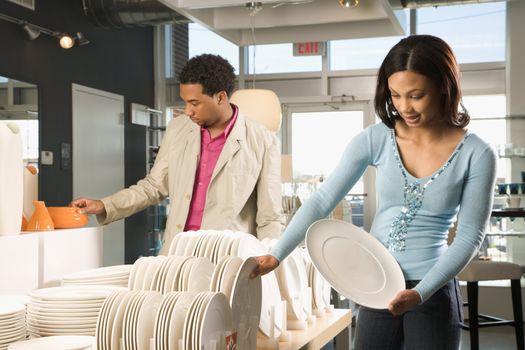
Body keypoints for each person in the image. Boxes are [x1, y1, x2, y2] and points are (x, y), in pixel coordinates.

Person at [250, 35, 497, 350]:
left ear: (444, 87)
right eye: (395, 94)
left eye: (416, 95)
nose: (404, 106)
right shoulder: (375, 139)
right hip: (375, 284)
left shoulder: (477, 153)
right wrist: (276, 254)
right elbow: (323, 200)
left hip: (432, 291)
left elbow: (469, 236)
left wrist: (420, 293)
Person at [71, 54, 284, 255]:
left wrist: (268, 261)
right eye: (185, 102)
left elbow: (270, 217)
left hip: (228, 258)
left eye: (194, 103)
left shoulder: (263, 141)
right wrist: (104, 205)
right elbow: (153, 187)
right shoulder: (177, 129)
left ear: (220, 97)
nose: (188, 111)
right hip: (177, 253)